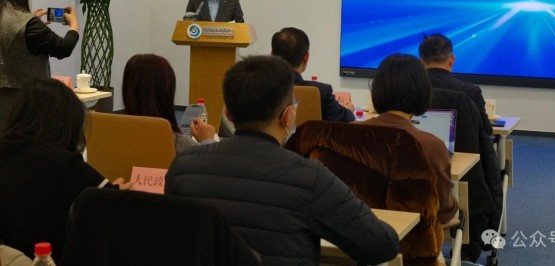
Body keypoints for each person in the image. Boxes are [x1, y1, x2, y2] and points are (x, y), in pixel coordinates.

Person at [165, 55, 399, 265]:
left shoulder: (182, 168)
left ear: (228, 114)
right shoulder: (310, 178)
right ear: (288, 116)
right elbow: (381, 245)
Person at [0, 79, 130, 262]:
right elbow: (113, 205)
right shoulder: (64, 165)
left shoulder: (6, 151)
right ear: (67, 123)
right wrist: (117, 191)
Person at [362, 54, 458, 231]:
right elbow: (444, 211)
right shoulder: (431, 145)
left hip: (354, 235)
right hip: (412, 241)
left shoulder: (346, 134)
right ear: (422, 93)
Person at [0, 0, 79, 128]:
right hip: (27, 105)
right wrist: (74, 26)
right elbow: (63, 48)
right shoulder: (28, 24)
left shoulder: (25, 23)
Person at [122, 54, 215, 152]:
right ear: (168, 93)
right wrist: (208, 141)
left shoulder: (115, 138)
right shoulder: (184, 146)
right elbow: (213, 161)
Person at [271, 27, 355, 122]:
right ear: (306, 57)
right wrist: (349, 110)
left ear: (272, 55)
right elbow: (345, 118)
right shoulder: (320, 92)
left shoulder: (259, 88)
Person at [419, 33, 493, 135]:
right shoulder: (470, 91)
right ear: (452, 59)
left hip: (415, 144)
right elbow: (486, 129)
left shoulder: (408, 90)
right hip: (461, 145)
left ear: (420, 61)